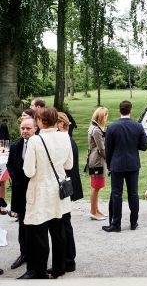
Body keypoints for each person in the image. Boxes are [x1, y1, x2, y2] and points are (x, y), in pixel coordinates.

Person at [21, 107, 73, 279]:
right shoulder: (65, 136)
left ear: (41, 121)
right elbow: (69, 165)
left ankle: (40, 271)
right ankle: (59, 267)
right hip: (58, 190)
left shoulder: (36, 141)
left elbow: (28, 171)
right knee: (58, 232)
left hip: (41, 190)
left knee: (40, 233)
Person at [103, 100, 147, 233]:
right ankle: (133, 222)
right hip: (133, 164)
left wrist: (110, 165)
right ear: (130, 110)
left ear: (119, 110)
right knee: (133, 193)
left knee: (117, 194)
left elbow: (108, 149)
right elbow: (144, 146)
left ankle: (116, 224)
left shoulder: (112, 127)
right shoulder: (138, 126)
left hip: (117, 164)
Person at [6, 117, 35, 272]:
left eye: (28, 128)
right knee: (22, 224)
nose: (25, 131)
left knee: (36, 224)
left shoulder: (39, 144)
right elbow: (10, 165)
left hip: (35, 190)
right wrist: (16, 180)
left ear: (35, 128)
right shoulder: (16, 144)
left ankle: (35, 254)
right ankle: (23, 253)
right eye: (23, 128)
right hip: (19, 190)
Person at [56, 113, 82, 273]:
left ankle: (68, 259)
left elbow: (67, 167)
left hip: (65, 185)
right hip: (67, 184)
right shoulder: (65, 138)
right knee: (64, 223)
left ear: (60, 124)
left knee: (64, 223)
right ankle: (67, 258)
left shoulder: (65, 140)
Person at [86, 107, 108, 220]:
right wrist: (109, 159)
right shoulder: (97, 130)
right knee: (96, 187)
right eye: (105, 116)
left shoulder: (94, 127)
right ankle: (93, 212)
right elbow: (102, 149)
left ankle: (96, 209)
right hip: (97, 161)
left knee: (96, 187)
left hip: (94, 160)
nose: (106, 118)